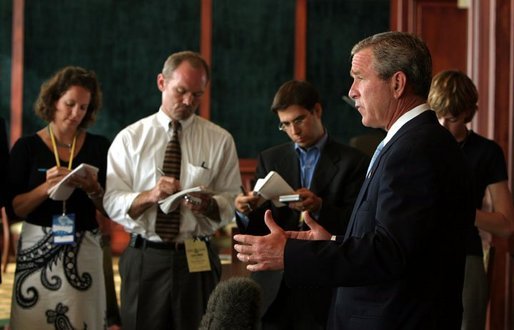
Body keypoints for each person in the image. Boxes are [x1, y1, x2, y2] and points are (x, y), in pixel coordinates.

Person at [234, 31, 475, 330]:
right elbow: (392, 240)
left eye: (359, 77)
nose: (352, 92)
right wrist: (331, 241)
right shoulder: (408, 141)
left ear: (397, 83)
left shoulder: (415, 148)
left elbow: (389, 253)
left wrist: (291, 253)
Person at [103, 50, 241, 330]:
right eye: (181, 91)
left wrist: (209, 205)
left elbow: (232, 199)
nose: (189, 101)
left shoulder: (220, 140)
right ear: (161, 83)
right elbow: (112, 201)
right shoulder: (130, 139)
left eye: (197, 94)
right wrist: (150, 195)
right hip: (145, 256)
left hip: (197, 254)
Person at [235, 79, 369, 329]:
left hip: (323, 284)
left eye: (298, 120)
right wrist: (244, 211)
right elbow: (257, 230)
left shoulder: (354, 162)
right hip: (274, 286)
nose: (293, 130)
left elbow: (357, 225)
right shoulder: (270, 158)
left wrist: (319, 206)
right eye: (285, 124)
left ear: (317, 111)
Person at [7, 66, 109, 329]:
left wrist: (93, 189)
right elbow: (14, 208)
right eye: (70, 104)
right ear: (53, 101)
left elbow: (110, 209)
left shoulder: (99, 146)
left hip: (84, 246)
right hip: (36, 247)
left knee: (83, 320)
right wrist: (45, 188)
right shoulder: (27, 147)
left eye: (84, 107)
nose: (76, 113)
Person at [428, 70, 514, 330]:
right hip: (419, 250)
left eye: (452, 118)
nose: (442, 125)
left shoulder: (486, 152)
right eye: (437, 116)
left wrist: (460, 210)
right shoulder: (421, 145)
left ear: (469, 114)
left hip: (466, 252)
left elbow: (507, 224)